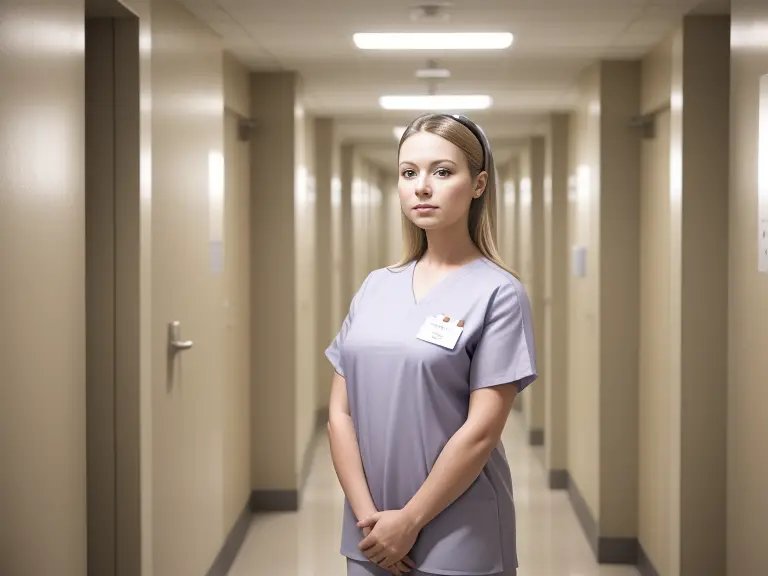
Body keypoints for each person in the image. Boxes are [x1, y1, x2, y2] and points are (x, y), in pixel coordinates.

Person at [325, 112, 538, 576]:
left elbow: (481, 432)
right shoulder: (375, 286)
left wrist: (411, 520)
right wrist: (373, 523)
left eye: (442, 171)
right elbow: (340, 415)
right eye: (409, 172)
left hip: (460, 530)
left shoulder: (499, 292)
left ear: (478, 184)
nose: (422, 186)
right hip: (370, 529)